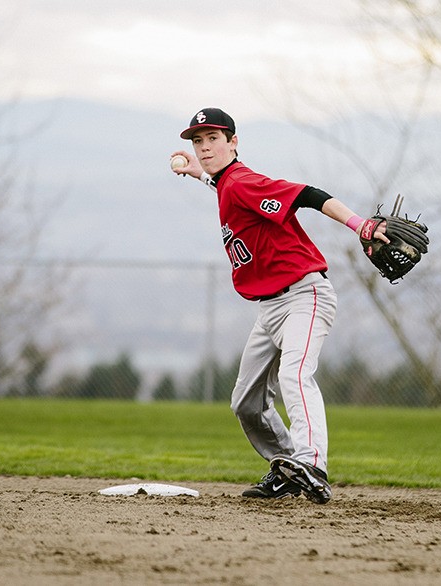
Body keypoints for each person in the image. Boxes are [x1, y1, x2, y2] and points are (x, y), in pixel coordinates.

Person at [171, 108, 388, 504]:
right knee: (246, 402)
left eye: (213, 139)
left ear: (233, 142)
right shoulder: (227, 184)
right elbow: (222, 186)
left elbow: (307, 194)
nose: (204, 148)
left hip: (305, 296)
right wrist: (195, 173)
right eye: (198, 142)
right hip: (270, 309)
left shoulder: (242, 180)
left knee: (295, 374)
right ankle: (290, 468)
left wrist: (361, 225)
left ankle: (313, 464)